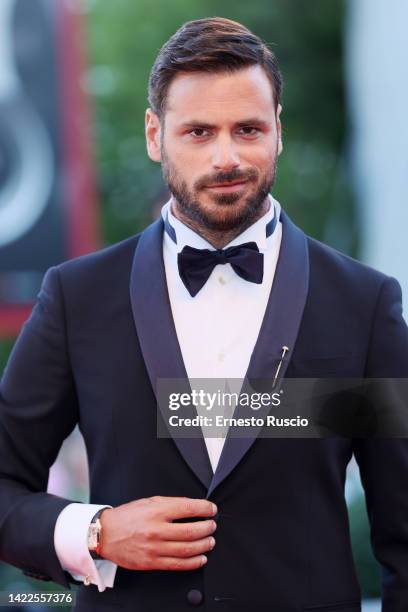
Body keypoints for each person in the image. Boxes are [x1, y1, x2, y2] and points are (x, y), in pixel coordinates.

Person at [1, 16, 408, 612]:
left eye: (248, 129)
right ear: (153, 135)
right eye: (197, 132)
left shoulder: (363, 303)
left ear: (278, 132)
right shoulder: (77, 298)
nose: (226, 157)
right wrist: (95, 531)